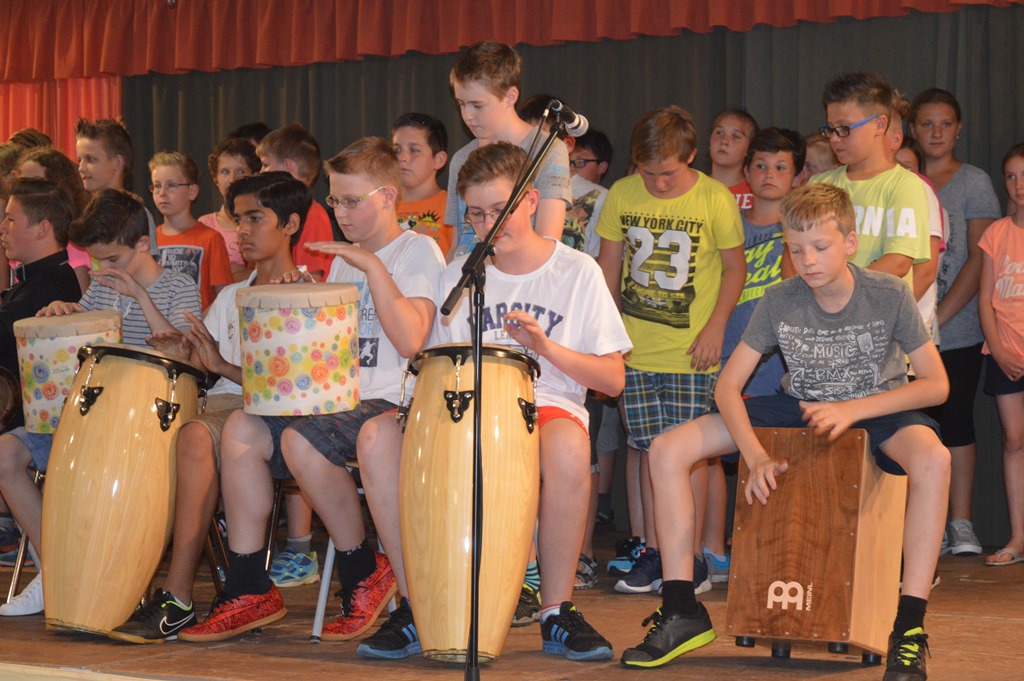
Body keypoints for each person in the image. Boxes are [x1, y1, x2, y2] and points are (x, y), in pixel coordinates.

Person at [621, 183, 950, 681]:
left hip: (876, 406)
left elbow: (936, 385)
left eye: (820, 247)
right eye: (796, 250)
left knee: (935, 458)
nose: (808, 260)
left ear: (850, 242)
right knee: (667, 449)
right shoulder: (779, 298)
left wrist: (853, 408)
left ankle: (908, 628)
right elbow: (727, 387)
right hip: (799, 405)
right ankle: (682, 607)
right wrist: (753, 455)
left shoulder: (889, 293)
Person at [356, 141, 630, 662]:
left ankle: (557, 610)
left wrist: (545, 347)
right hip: (464, 407)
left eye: (499, 210)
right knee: (376, 437)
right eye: (476, 214)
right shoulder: (460, 275)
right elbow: (434, 364)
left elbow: (613, 380)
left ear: (530, 201)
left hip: (542, 405)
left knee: (569, 447)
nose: (488, 225)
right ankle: (416, 606)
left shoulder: (576, 271)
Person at [178, 137, 445, 643]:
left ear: (388, 197)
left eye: (351, 201)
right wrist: (297, 312)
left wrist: (371, 266)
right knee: (241, 427)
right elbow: (323, 359)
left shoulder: (418, 251)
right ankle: (249, 585)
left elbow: (411, 339)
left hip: (394, 400)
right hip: (337, 400)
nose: (340, 212)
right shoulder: (344, 261)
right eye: (335, 201)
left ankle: (362, 568)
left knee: (302, 440)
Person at [108, 172, 312, 643]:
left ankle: (177, 596)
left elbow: (292, 386)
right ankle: (112, 580)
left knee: (196, 435)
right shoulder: (230, 296)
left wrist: (219, 363)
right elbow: (205, 363)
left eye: (255, 218)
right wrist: (186, 353)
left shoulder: (307, 291)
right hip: (220, 402)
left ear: (291, 224)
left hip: (260, 413)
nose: (242, 230)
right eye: (238, 220)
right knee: (139, 432)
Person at [0, 188, 202, 616]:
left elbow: (186, 355)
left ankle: (75, 574)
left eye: (112, 259)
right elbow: (85, 334)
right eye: (97, 262)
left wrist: (140, 296)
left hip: (149, 422)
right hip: (92, 415)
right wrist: (66, 311)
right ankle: (58, 569)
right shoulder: (103, 287)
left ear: (143, 244)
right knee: (5, 454)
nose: (104, 270)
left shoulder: (178, 287)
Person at [595, 106, 745, 597]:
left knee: (687, 458)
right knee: (646, 451)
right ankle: (658, 552)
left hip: (691, 353)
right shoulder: (622, 194)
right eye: (648, 172)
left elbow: (735, 269)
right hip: (635, 351)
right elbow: (609, 269)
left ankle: (692, 558)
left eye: (668, 173)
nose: (658, 183)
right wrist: (608, 339)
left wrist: (716, 328)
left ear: (691, 156)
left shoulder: (714, 197)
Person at [703, 127, 805, 584]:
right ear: (746, 171)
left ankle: (770, 556)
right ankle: (715, 551)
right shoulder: (731, 226)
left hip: (776, 366)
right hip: (727, 354)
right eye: (760, 165)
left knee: (773, 453)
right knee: (717, 456)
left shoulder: (797, 233)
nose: (769, 174)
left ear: (797, 177)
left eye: (781, 167)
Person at [909, 88, 1001, 556]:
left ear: (959, 129)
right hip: (904, 331)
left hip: (958, 329)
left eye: (945, 124)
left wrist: (937, 318)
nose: (936, 133)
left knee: (957, 421)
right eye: (927, 124)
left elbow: (980, 258)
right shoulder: (901, 182)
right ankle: (919, 527)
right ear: (912, 130)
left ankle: (961, 524)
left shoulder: (973, 182)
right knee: (912, 428)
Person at [807, 73, 933, 291]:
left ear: (879, 125)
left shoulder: (905, 185)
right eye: (831, 129)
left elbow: (898, 261)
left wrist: (840, 291)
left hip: (875, 307)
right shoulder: (817, 185)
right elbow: (793, 254)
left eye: (844, 129)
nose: (835, 138)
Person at [445, 41, 570, 260]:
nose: (467, 115)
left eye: (477, 105)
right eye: (461, 104)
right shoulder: (461, 158)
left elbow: (549, 240)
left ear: (510, 97)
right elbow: (459, 242)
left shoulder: (549, 150)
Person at [978, 142, 1024, 568]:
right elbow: (986, 301)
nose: (1018, 185)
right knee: (1014, 440)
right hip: (1005, 355)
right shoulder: (996, 233)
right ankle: (1017, 536)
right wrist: (999, 351)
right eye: (1011, 176)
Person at [149, 151, 233, 309]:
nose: (162, 193)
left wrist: (202, 321)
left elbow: (223, 297)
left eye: (171, 185)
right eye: (157, 186)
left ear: (192, 191)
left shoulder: (210, 239)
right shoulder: (148, 240)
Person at [256, 123, 336, 278]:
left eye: (265, 165)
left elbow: (312, 279)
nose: (261, 172)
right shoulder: (281, 212)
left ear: (288, 166)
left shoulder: (313, 216)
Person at [75, 118, 160, 255]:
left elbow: (147, 267)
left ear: (117, 162)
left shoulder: (136, 216)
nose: (81, 168)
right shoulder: (80, 215)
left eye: (90, 159)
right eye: (79, 160)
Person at [15, 146, 93, 294]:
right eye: (22, 183)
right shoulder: (23, 237)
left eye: (35, 184)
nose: (24, 191)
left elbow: (80, 303)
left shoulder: (72, 246)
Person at [198, 137, 262, 281]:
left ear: (254, 175)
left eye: (240, 171)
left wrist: (225, 272)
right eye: (225, 172)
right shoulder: (204, 224)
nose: (232, 179)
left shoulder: (263, 221)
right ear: (215, 179)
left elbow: (264, 274)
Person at [391, 112, 454, 257]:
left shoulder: (452, 207)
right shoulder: (379, 203)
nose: (402, 158)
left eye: (414, 150)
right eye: (396, 150)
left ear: (439, 160)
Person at [708, 108, 758, 210]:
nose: (724, 141)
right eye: (719, 132)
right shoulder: (691, 188)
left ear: (749, 149)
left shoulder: (757, 195)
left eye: (735, 136)